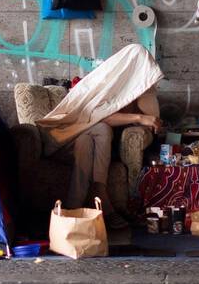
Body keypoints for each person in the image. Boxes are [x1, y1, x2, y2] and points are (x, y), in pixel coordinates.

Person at [57, 90, 163, 229]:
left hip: (100, 144)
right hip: (73, 136)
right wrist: (137, 117)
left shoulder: (142, 91)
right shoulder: (108, 86)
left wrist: (144, 98)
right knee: (100, 129)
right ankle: (100, 192)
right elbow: (100, 117)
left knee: (88, 138)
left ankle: (72, 209)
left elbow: (153, 123)